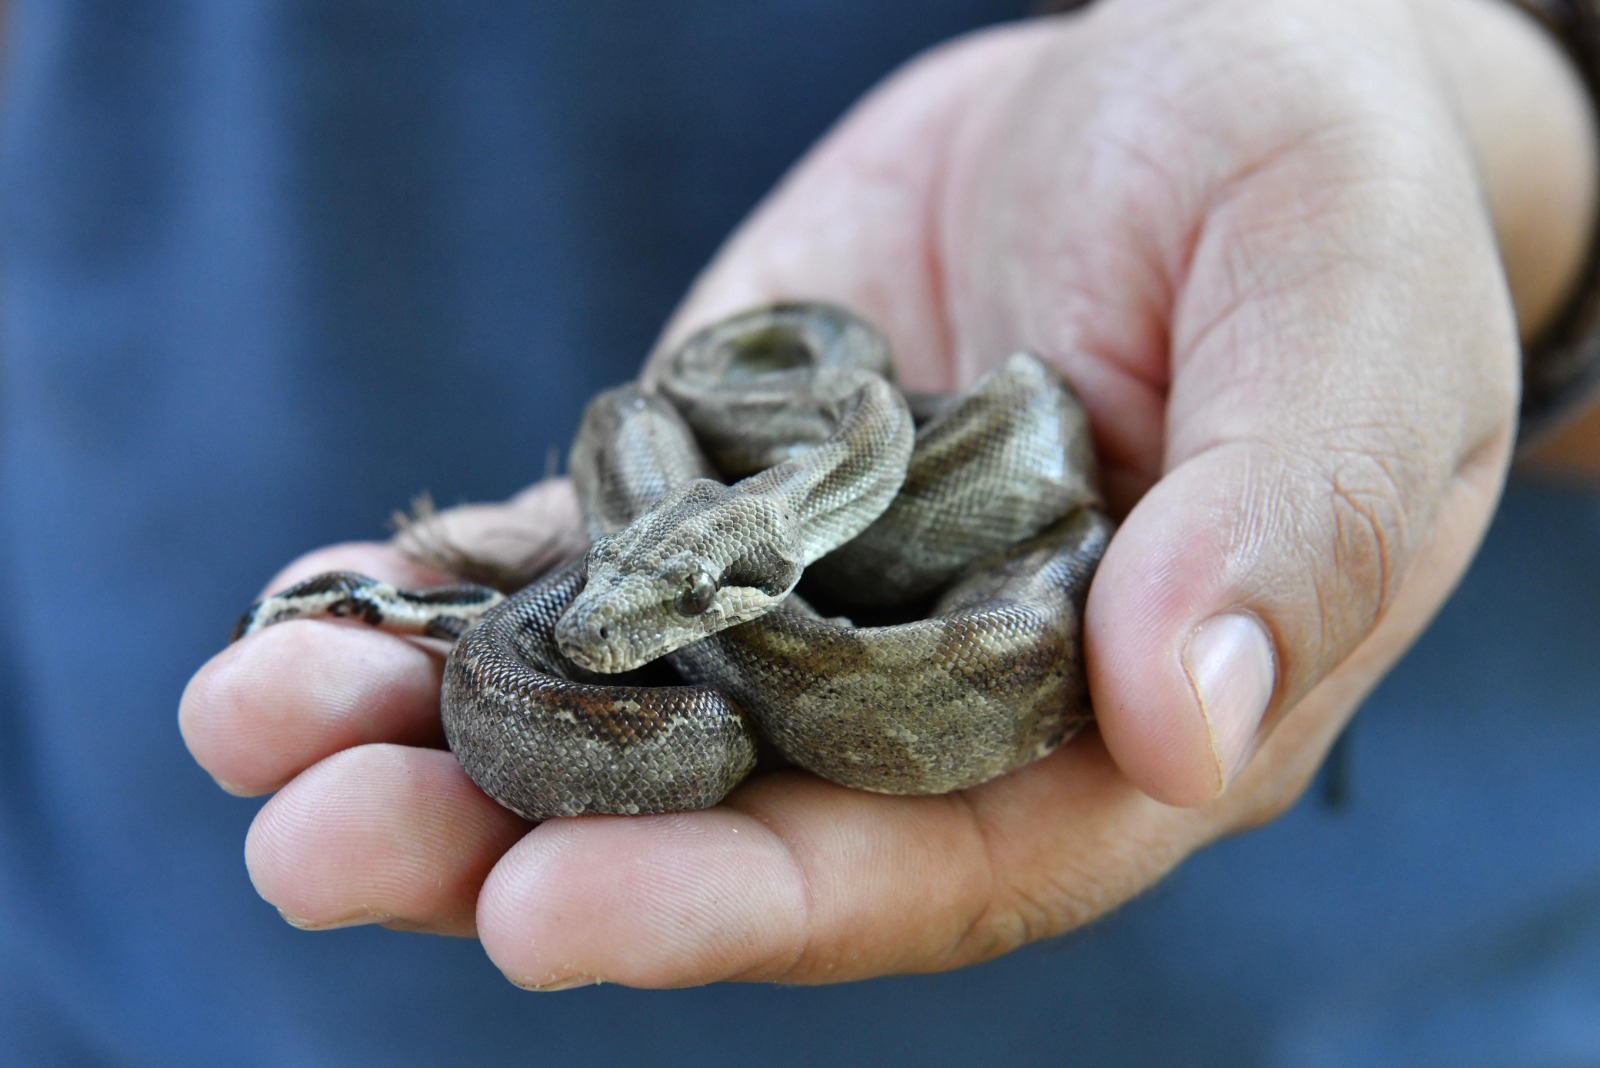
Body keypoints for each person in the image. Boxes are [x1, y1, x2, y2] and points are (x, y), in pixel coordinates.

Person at [6, 0, 1598, 1062]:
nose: (617, 635)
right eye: (627, 606)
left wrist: (1489, 127)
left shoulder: (894, 470)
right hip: (112, 954)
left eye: (662, 603)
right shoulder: (703, 474)